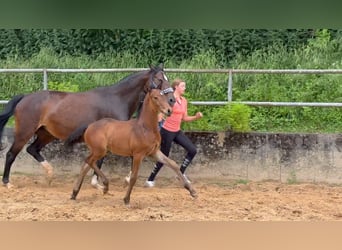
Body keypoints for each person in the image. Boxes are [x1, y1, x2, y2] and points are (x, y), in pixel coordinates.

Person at [145, 78, 203, 187]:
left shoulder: (184, 101)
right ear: (176, 87)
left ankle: (181, 173)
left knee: (192, 150)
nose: (184, 88)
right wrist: (157, 122)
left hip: (177, 131)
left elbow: (184, 118)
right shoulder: (170, 100)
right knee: (164, 156)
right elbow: (161, 114)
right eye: (183, 86)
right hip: (166, 131)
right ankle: (150, 180)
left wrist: (196, 117)